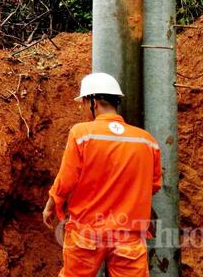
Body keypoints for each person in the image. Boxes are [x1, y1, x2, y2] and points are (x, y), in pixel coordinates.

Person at [43, 73, 161, 277]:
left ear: (93, 102)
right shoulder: (146, 141)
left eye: (84, 103)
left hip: (87, 232)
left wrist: (51, 206)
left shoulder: (82, 134)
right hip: (128, 234)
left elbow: (66, 179)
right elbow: (154, 184)